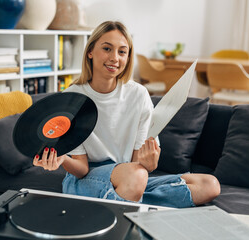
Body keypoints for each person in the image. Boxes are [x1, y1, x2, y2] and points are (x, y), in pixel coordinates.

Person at [33, 21, 220, 208]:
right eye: (107, 48)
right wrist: (63, 159)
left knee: (209, 185)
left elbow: (139, 164)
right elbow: (81, 170)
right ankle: (132, 205)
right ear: (90, 51)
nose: (114, 58)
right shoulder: (72, 98)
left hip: (129, 175)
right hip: (87, 179)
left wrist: (150, 164)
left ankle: (127, 201)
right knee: (136, 176)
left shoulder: (138, 94)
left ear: (128, 57)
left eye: (122, 52)